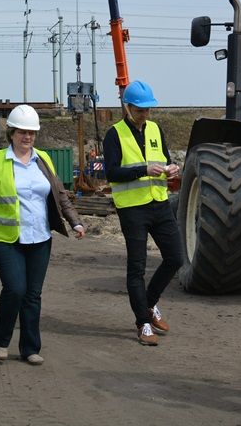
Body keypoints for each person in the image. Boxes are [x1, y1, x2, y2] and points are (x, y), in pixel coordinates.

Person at [0, 105, 85, 365]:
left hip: (40, 237)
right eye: (22, 132)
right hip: (5, 238)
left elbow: (59, 194)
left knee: (33, 294)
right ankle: (1, 339)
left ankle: (30, 348)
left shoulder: (43, 159)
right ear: (11, 133)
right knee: (15, 289)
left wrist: (75, 221)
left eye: (32, 132)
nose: (27, 137)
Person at [102, 80, 183, 346]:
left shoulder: (156, 130)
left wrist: (173, 169)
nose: (145, 114)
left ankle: (149, 304)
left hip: (159, 203)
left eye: (148, 110)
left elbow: (165, 159)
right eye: (140, 110)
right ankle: (143, 323)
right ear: (128, 107)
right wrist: (143, 170)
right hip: (132, 209)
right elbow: (111, 173)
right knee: (136, 267)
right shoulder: (114, 134)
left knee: (175, 257)